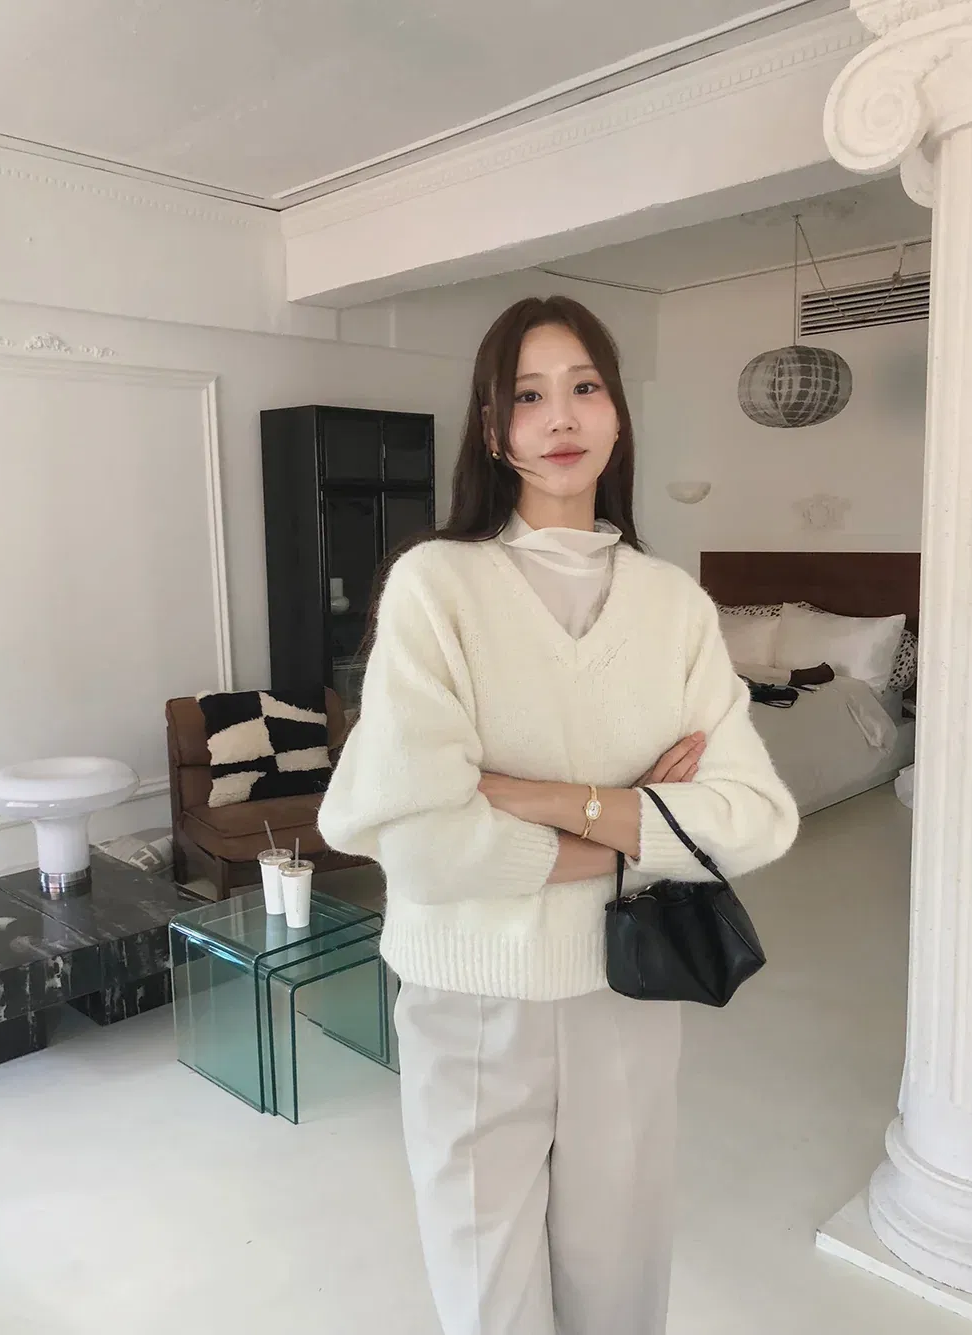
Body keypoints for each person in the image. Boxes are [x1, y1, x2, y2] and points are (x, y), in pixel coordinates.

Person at [318, 295, 798, 1335]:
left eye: (584, 386)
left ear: (618, 412)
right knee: (488, 1295)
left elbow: (756, 819)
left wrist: (539, 799)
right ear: (494, 432)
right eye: (527, 397)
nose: (561, 417)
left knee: (620, 1284)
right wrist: (645, 828)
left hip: (629, 986)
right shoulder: (437, 586)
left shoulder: (672, 604)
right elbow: (423, 846)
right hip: (468, 993)